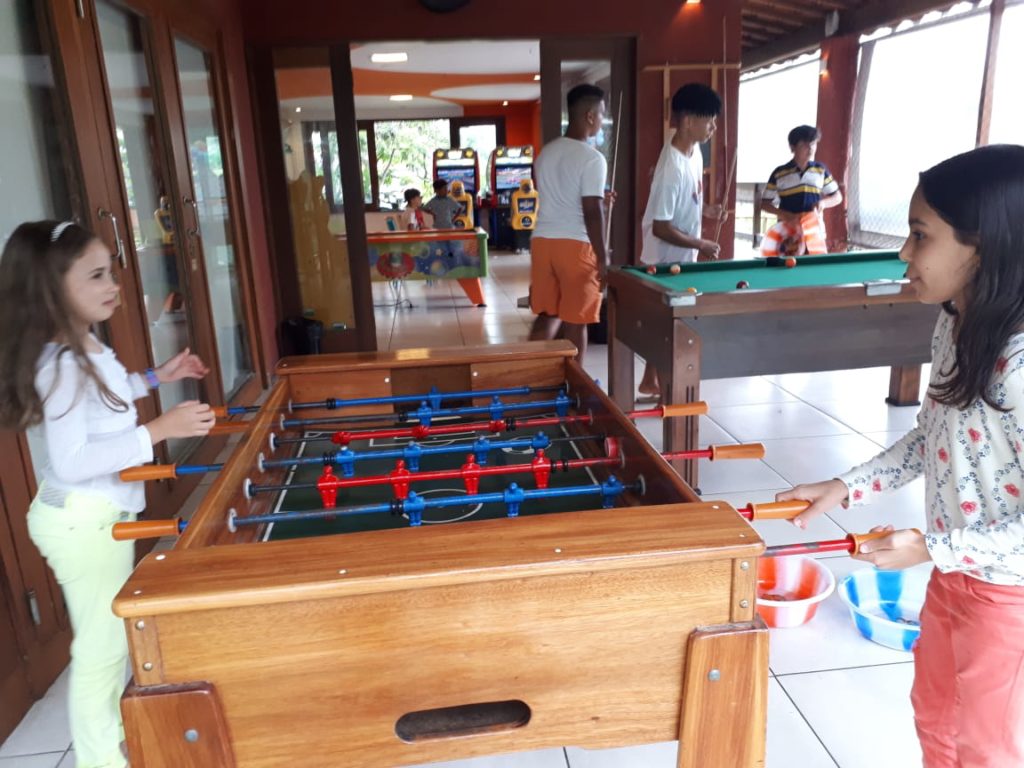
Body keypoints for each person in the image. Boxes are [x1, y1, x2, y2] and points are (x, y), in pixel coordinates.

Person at [776, 145, 1024, 767]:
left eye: (921, 236)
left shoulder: (1020, 366)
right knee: (934, 716)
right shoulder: (955, 323)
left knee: (987, 746)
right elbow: (931, 437)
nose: (904, 253)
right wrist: (845, 486)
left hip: (1009, 597)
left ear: (984, 248)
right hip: (954, 575)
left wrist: (932, 547)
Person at [0, 221, 216, 768]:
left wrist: (158, 376)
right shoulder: (63, 365)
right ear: (51, 288)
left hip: (91, 516)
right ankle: (101, 760)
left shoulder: (82, 347)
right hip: (84, 521)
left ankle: (113, 738)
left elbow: (108, 399)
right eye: (96, 275)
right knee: (102, 648)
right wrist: (160, 429)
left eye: (111, 272)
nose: (113, 285)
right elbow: (73, 461)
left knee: (110, 638)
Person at [637, 83, 727, 401]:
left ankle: (650, 381)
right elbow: (661, 227)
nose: (713, 127)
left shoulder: (694, 153)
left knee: (666, 323)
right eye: (709, 120)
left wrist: (707, 209)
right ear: (688, 120)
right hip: (662, 259)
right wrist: (701, 244)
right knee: (669, 327)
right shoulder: (671, 168)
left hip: (681, 255)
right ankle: (667, 393)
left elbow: (686, 201)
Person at [528, 83, 612, 359]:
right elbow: (591, 211)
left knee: (547, 315)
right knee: (577, 321)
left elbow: (563, 195)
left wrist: (600, 200)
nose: (602, 120)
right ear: (589, 115)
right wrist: (603, 257)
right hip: (575, 246)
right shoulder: (593, 158)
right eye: (601, 114)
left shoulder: (545, 153)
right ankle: (575, 381)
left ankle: (530, 375)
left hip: (542, 243)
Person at [759, 125, 842, 257]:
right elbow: (764, 204)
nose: (810, 148)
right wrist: (785, 215)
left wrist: (823, 203)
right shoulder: (779, 173)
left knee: (815, 265)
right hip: (788, 234)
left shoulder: (821, 170)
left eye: (813, 144)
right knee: (788, 265)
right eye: (804, 144)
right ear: (792, 147)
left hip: (814, 232)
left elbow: (837, 197)